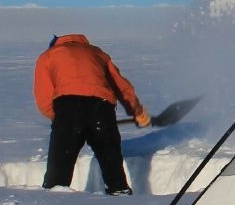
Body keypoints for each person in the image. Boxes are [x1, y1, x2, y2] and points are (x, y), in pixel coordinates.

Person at [34, 33, 151, 194]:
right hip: (101, 107)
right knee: (110, 159)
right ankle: (120, 195)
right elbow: (122, 87)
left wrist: (59, 119)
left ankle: (54, 200)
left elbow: (44, 96)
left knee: (60, 166)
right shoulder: (97, 53)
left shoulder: (48, 56)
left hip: (68, 108)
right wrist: (137, 111)